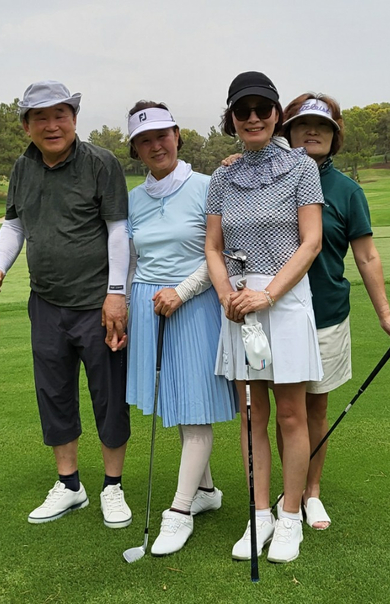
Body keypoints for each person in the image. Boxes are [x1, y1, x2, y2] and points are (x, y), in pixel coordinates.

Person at [0, 80, 132, 529]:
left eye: (60, 114)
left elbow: (118, 232)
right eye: (40, 117)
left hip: (97, 305)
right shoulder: (21, 168)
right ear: (26, 124)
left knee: (108, 398)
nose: (52, 125)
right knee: (54, 394)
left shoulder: (100, 163)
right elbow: (14, 225)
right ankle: (69, 486)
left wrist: (116, 294)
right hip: (45, 303)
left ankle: (112, 486)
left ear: (74, 118)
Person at [205, 71, 324, 564]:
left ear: (276, 114)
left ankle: (290, 515)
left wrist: (268, 294)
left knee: (292, 414)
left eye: (262, 108)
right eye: (242, 110)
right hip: (238, 303)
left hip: (285, 298)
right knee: (253, 416)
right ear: (231, 118)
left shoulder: (300, 169)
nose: (253, 117)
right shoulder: (222, 176)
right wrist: (226, 295)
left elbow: (310, 242)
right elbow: (213, 247)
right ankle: (260, 514)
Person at [279, 92, 390, 530]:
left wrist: (386, 315)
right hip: (276, 316)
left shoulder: (347, 190)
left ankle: (310, 492)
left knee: (314, 411)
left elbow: (367, 256)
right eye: (302, 125)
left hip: (326, 316)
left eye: (322, 127)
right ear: (289, 132)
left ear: (335, 137)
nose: (312, 132)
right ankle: (289, 493)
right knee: (286, 413)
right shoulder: (270, 178)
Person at [126, 101, 238, 556]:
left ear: (178, 136)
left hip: (193, 305)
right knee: (175, 403)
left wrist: (183, 292)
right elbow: (133, 259)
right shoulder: (133, 198)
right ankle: (207, 491)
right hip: (147, 304)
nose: (156, 145)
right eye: (145, 140)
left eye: (163, 135)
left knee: (194, 411)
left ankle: (178, 511)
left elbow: (220, 254)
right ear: (136, 149)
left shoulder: (208, 187)